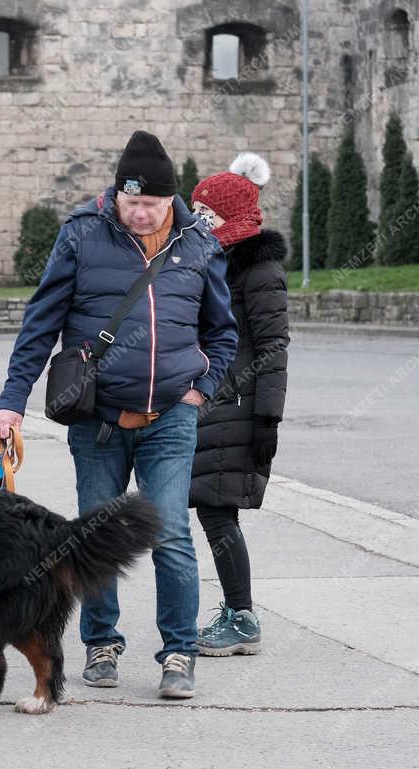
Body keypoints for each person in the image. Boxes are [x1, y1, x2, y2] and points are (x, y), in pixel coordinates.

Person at [0, 130, 238, 699]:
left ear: (170, 200)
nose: (139, 215)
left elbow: (224, 332)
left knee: (171, 533)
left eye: (150, 205)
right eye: (130, 204)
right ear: (116, 195)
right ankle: (102, 641)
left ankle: (179, 652)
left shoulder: (199, 242)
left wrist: (203, 388)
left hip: (171, 414)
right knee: (97, 533)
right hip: (98, 418)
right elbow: (40, 322)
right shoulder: (82, 233)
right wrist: (10, 401)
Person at [189, 154, 289, 656]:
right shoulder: (215, 258)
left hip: (241, 404)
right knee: (213, 509)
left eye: (206, 214)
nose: (197, 221)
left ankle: (242, 616)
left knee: (217, 510)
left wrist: (269, 417)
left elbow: (273, 345)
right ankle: (237, 611)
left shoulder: (257, 266)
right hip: (216, 402)